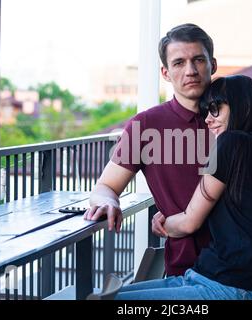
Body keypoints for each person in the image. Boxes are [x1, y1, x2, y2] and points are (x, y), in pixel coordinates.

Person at [115, 75, 252, 300]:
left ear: (242, 106)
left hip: (220, 289)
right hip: (213, 281)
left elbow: (188, 223)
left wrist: (164, 223)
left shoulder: (231, 143)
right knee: (106, 297)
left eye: (215, 108)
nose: (207, 119)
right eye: (206, 111)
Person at [84, 24, 217, 276]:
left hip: (237, 264)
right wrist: (107, 203)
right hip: (186, 268)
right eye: (179, 63)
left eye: (198, 60)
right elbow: (106, 187)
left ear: (213, 65)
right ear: (166, 73)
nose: (190, 70)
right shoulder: (147, 125)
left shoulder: (232, 117)